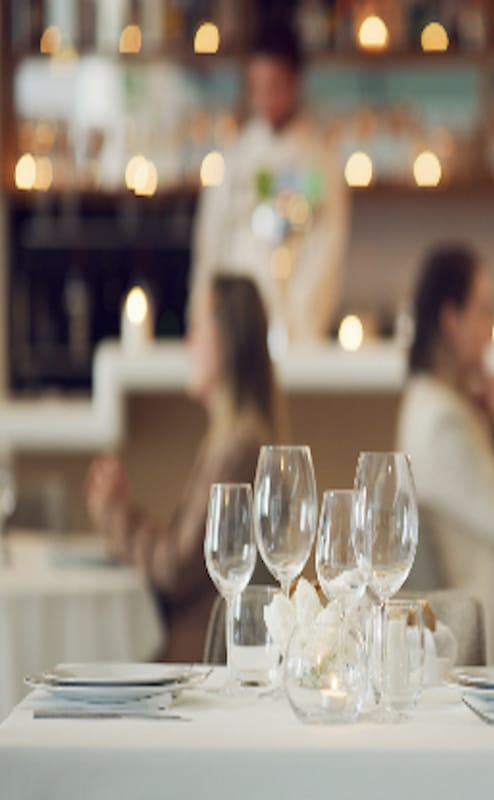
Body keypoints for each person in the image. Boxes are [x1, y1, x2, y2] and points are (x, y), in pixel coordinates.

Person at [86, 274, 279, 662]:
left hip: (200, 656)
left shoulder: (240, 449)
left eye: (197, 328)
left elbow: (176, 568)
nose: (188, 342)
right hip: (196, 646)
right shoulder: (229, 440)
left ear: (227, 340)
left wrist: (114, 513)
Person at [397, 244, 494, 664]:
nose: (490, 329)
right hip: (474, 637)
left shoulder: (435, 405)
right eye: (483, 311)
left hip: (472, 621)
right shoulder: (441, 422)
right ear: (451, 320)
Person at [191, 17, 350, 350]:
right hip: (237, 323)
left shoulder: (319, 161)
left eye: (275, 86)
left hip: (297, 326)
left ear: (294, 82)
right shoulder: (235, 158)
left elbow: (328, 247)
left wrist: (298, 319)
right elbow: (212, 244)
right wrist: (204, 318)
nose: (266, 98)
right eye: (258, 87)